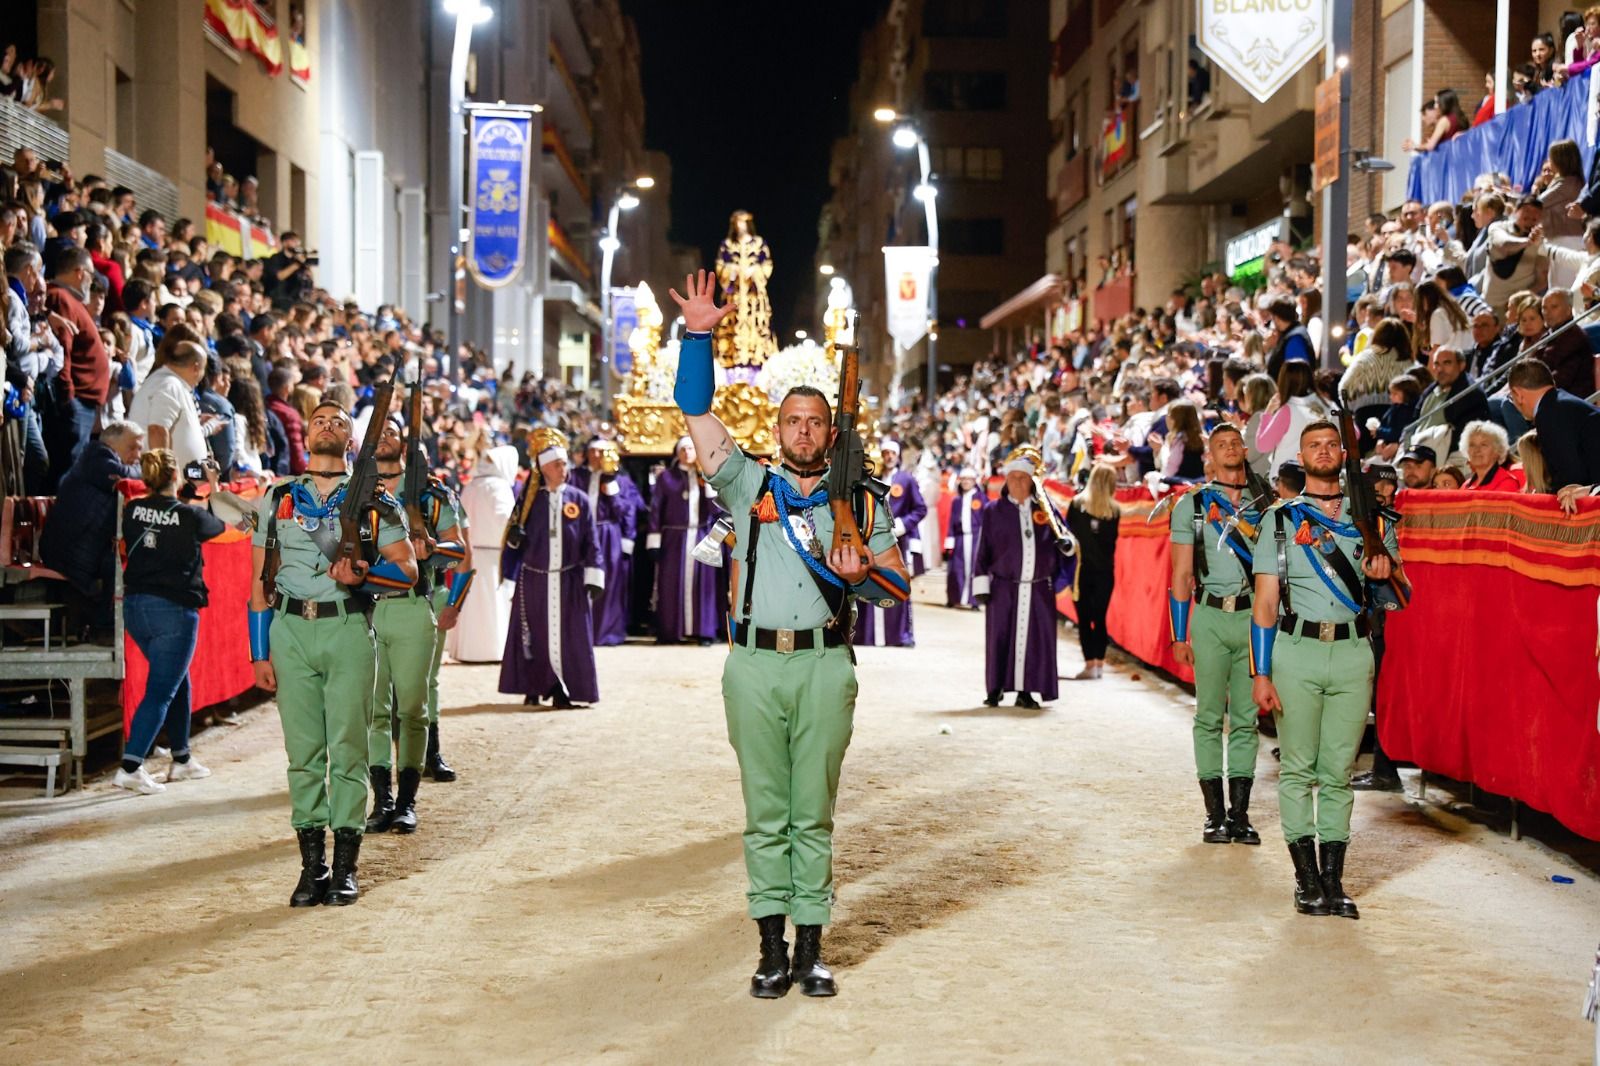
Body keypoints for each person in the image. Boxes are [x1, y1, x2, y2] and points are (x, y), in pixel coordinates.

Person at [669, 269, 909, 999]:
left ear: (830, 433)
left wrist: (861, 567)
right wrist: (697, 336)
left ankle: (812, 946)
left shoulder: (861, 504)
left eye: (814, 423)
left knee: (815, 812)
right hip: (753, 665)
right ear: (776, 430)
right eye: (791, 422)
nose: (802, 432)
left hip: (824, 667)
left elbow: (895, 593)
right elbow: (693, 410)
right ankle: (769, 946)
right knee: (765, 812)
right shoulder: (747, 485)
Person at [248, 401, 418, 908]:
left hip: (346, 628)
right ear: (306, 435)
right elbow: (258, 584)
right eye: (319, 418)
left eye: (338, 421)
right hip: (289, 630)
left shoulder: (373, 500)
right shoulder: (277, 498)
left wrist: (363, 574)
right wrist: (260, 653)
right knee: (302, 756)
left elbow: (407, 568)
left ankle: (344, 868)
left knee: (348, 752)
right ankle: (311, 867)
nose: (327, 423)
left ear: (350, 441)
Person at [1251, 420, 1401, 920]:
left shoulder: (1373, 519)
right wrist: (1261, 673)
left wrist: (1384, 573)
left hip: (1355, 651)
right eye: (1313, 445)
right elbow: (1266, 604)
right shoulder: (1279, 520)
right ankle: (1306, 880)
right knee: (1297, 770)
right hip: (1296, 650)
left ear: (1342, 453)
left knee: (1338, 772)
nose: (1323, 451)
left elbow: (1403, 596)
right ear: (1302, 456)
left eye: (1330, 444)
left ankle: (1334, 882)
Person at [365, 415, 472, 832]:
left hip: (412, 605)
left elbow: (458, 550)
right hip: (366, 610)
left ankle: (407, 800)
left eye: (392, 432)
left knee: (412, 708)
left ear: (404, 443)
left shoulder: (430, 496)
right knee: (374, 712)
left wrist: (430, 546)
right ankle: (381, 800)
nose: (385, 439)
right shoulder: (354, 493)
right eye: (379, 434)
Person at [1169, 424, 1271, 844]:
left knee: (1246, 720)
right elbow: (1181, 573)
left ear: (1244, 450)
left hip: (1251, 618)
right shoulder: (1191, 505)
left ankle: (1240, 814)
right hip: (1209, 617)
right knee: (1209, 717)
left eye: (1234, 443)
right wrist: (1179, 635)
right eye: (1220, 445)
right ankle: (1214, 815)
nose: (1229, 449)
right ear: (1209, 457)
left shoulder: (1264, 506)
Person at [115, 448, 228, 795]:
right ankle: (130, 767)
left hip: (135, 608)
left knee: (176, 680)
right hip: (173, 610)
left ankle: (181, 759)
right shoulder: (190, 515)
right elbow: (221, 521)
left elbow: (163, 518)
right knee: (162, 689)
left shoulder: (133, 509)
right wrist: (214, 484)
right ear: (176, 476)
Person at [499, 427, 603, 708]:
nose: (563, 468)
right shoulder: (530, 500)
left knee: (569, 636)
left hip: (569, 580)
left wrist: (594, 576)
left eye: (564, 463)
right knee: (533, 635)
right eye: (557, 464)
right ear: (544, 469)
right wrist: (514, 540)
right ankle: (533, 687)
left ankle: (563, 688)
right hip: (534, 580)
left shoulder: (579, 500)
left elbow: (591, 539)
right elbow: (512, 539)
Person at [973, 445, 1079, 709]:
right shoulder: (993, 511)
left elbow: (1065, 539)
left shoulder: (1045, 510)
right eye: (1013, 477)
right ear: (1006, 480)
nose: (1018, 482)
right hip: (1003, 589)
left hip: (1038, 589)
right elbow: (983, 550)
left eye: (1023, 478)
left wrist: (1067, 546)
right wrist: (981, 586)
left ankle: (1026, 691)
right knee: (999, 639)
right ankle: (996, 688)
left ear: (1032, 482)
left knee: (1035, 642)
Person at [40, 420, 143, 634]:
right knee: (119, 565)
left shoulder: (97, 457)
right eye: (132, 447)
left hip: (82, 544)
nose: (138, 455)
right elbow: (123, 475)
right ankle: (104, 626)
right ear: (112, 444)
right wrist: (151, 472)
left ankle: (108, 623)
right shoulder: (98, 456)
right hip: (69, 549)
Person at [43, 245, 111, 492]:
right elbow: (63, 350)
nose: (91, 281)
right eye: (91, 274)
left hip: (82, 402)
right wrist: (68, 395)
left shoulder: (72, 301)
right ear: (80, 272)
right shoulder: (61, 298)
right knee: (66, 472)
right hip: (75, 402)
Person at [647, 436, 723, 645]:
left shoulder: (708, 476)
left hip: (701, 536)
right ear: (677, 453)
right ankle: (671, 631)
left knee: (703, 584)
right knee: (672, 583)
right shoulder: (666, 478)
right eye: (684, 449)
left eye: (691, 448)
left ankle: (704, 631)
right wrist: (654, 541)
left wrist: (707, 483)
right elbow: (656, 510)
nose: (688, 452)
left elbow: (716, 509)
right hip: (675, 538)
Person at [449, 440, 517, 663]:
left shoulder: (472, 484)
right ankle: (492, 650)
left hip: (471, 552)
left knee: (472, 605)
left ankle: (470, 650)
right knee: (491, 604)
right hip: (492, 555)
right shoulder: (498, 487)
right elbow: (505, 520)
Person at [855, 439, 926, 647]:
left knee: (895, 581)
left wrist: (903, 525)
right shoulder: (872, 479)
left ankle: (898, 634)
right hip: (870, 540)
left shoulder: (906, 479)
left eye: (891, 453)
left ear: (897, 455)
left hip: (897, 541)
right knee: (869, 580)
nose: (888, 456)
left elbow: (920, 509)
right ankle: (868, 635)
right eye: (885, 453)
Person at [1508, 360, 1600, 513]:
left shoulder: (1548, 413)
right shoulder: (1560, 403)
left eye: (1511, 397)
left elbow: (1571, 478)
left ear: (1518, 394)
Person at [570, 438, 636, 647]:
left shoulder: (620, 480)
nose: (598, 456)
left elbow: (626, 511)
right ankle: (579, 630)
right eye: (594, 451)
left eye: (602, 452)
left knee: (609, 584)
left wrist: (611, 487)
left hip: (608, 535)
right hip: (581, 535)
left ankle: (606, 632)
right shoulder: (575, 477)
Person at [1065, 464, 1120, 680]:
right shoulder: (1114, 511)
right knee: (1100, 617)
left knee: (1084, 618)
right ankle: (1099, 664)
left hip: (1081, 570)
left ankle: (1089, 664)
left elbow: (1068, 538)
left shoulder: (1077, 505)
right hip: (1105, 572)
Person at [126, 339, 213, 470]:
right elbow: (157, 429)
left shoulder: (171, 382)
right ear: (195, 367)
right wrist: (163, 475)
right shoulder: (169, 384)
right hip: (167, 485)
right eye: (203, 369)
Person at [944, 467, 984, 608]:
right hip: (960, 538)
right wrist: (950, 539)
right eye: (963, 479)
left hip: (975, 539)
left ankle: (974, 601)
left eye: (969, 479)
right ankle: (954, 597)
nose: (966, 482)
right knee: (956, 569)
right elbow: (952, 521)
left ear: (974, 481)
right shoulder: (957, 501)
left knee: (975, 569)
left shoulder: (981, 499)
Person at [1460, 420, 1522, 490]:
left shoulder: (1506, 482)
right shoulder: (1465, 486)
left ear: (1498, 451)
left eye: (1484, 445)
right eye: (1472, 445)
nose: (1477, 450)